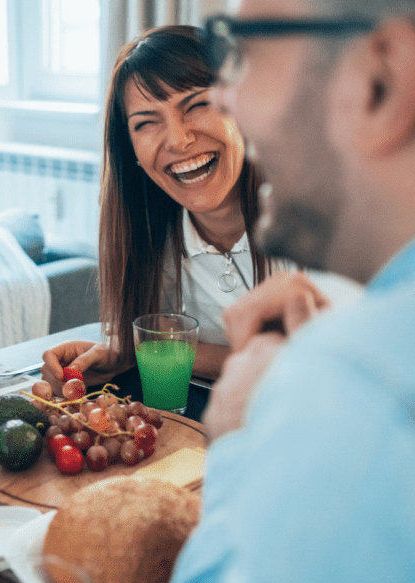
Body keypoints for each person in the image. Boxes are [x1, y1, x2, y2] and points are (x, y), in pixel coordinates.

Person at [159, 0, 415, 583]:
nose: (225, 98)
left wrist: (237, 441)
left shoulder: (360, 384)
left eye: (244, 47)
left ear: (382, 81)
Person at [40, 25, 359, 394]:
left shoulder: (322, 218)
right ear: (132, 152)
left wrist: (146, 349)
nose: (178, 140)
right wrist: (126, 352)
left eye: (197, 104)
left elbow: (333, 370)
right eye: (146, 123)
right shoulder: (148, 241)